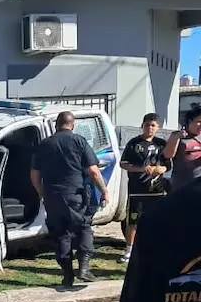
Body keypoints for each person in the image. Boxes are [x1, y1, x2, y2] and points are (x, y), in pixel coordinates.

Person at [30, 111, 110, 288]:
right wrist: (104, 190)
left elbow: (35, 175)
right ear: (72, 125)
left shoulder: (45, 144)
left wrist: (42, 194)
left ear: (56, 125)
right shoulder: (79, 141)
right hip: (75, 195)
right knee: (83, 228)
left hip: (53, 196)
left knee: (61, 235)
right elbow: (94, 171)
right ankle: (84, 268)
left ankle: (67, 275)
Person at [118, 113, 171, 263]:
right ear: (142, 126)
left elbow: (168, 164)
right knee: (133, 221)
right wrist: (140, 168)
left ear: (158, 127)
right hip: (137, 190)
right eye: (147, 125)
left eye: (153, 125)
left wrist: (161, 169)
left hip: (157, 190)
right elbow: (123, 164)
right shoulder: (134, 143)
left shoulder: (162, 144)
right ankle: (129, 250)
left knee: (158, 220)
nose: (150, 128)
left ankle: (157, 248)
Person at [163, 106, 201, 194]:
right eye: (199, 122)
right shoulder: (177, 136)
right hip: (182, 186)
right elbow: (168, 155)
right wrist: (176, 138)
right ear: (189, 121)